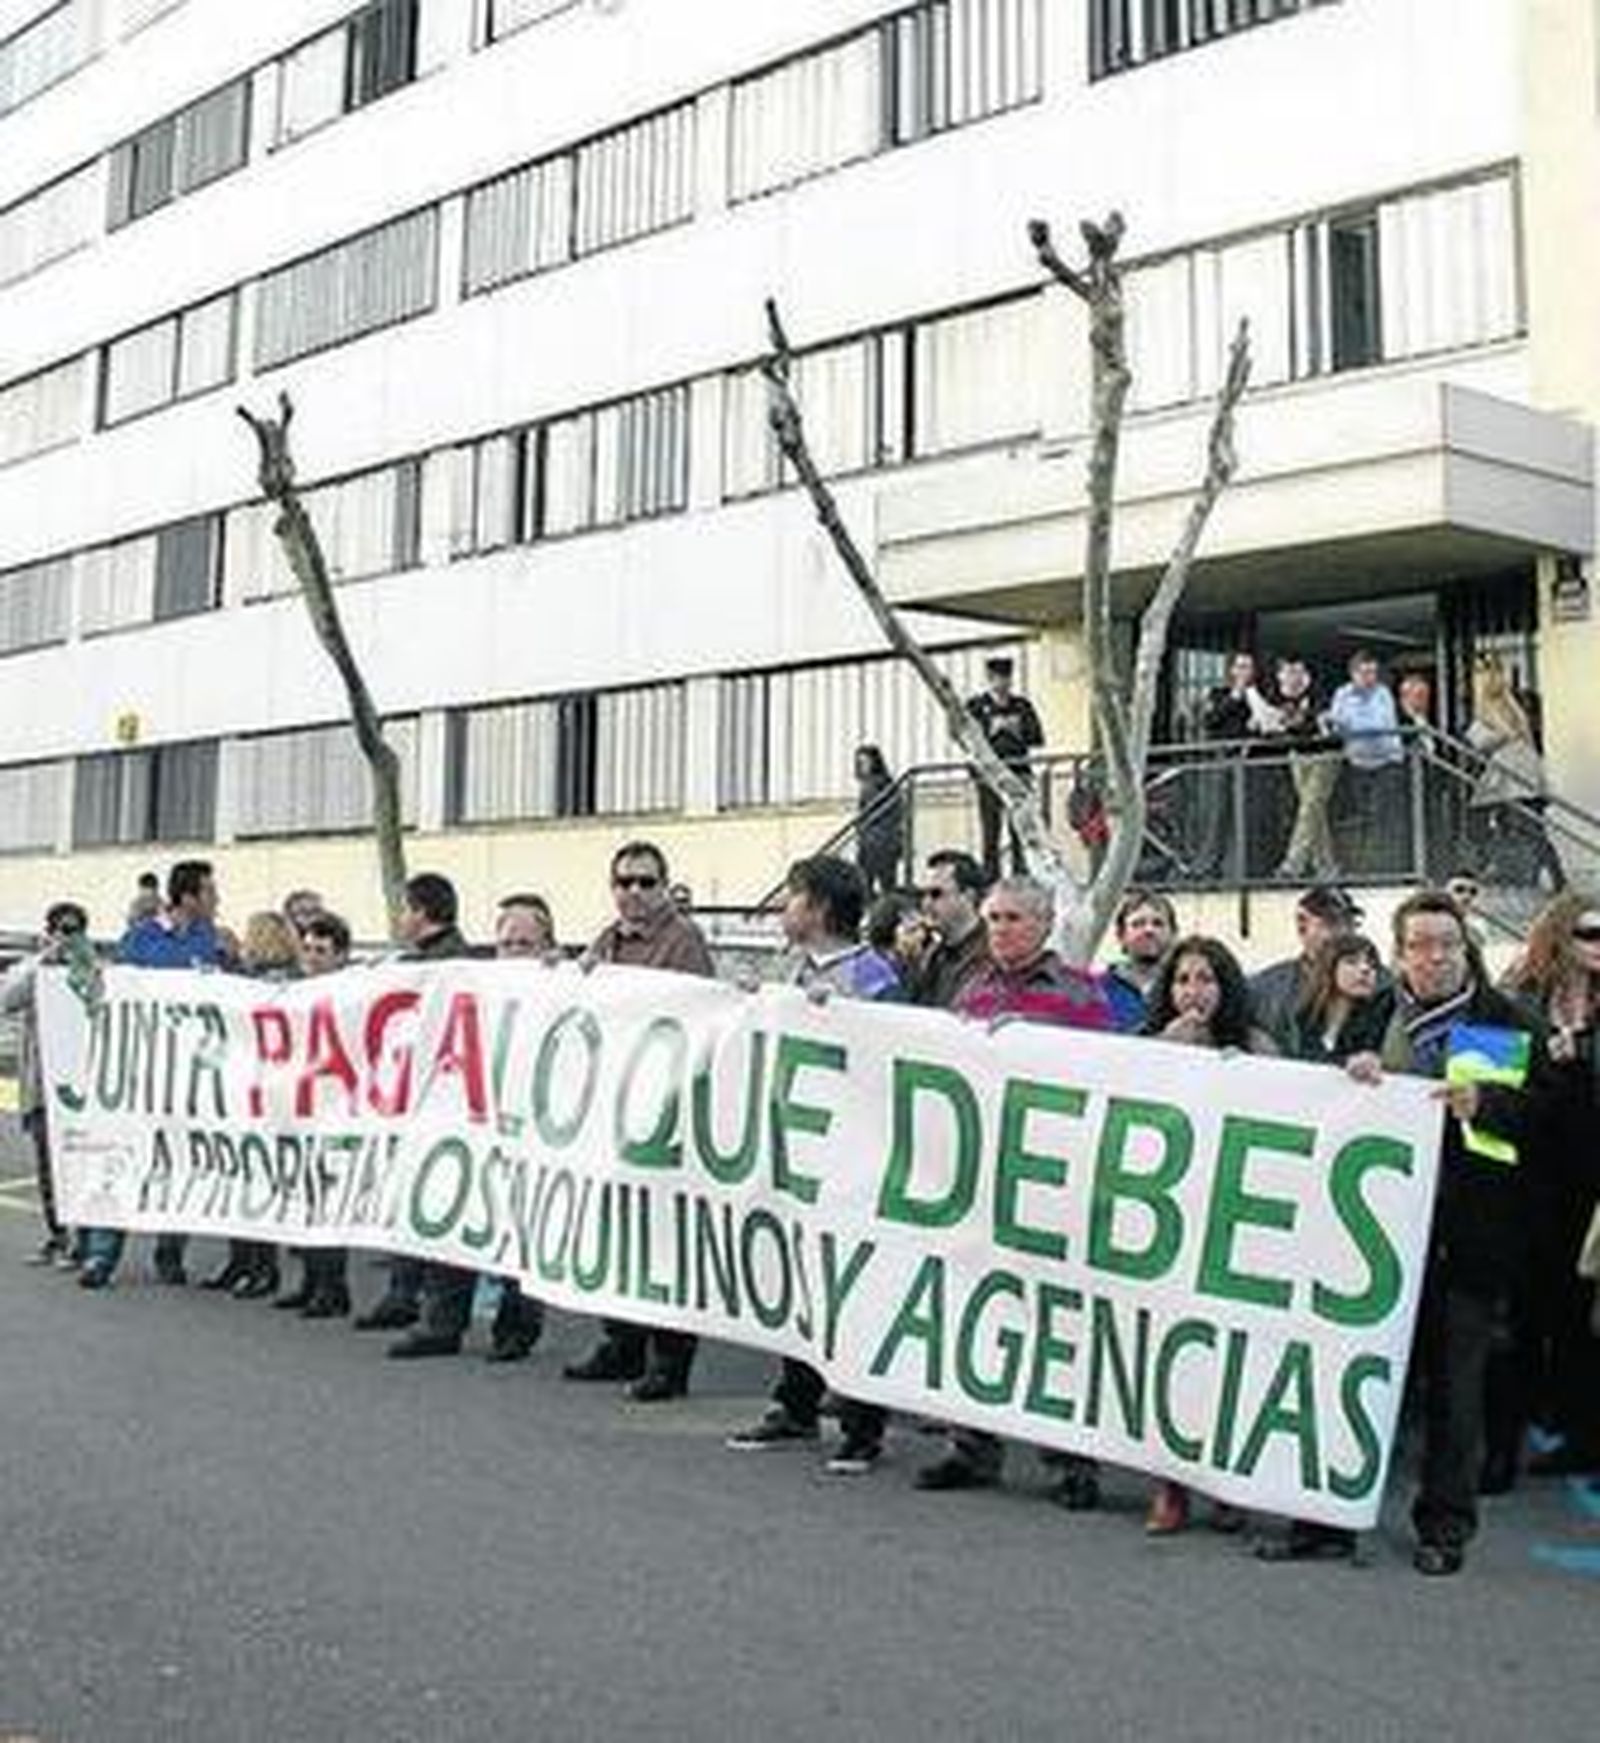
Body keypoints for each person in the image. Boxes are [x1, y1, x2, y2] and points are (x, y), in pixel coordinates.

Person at [1346, 890, 1544, 1576]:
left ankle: (1445, 1525)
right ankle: (1330, 1512)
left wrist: (1487, 1104)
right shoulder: (1372, 1015)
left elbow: (1550, 1119)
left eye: (1448, 944)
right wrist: (1352, 1073)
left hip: (1468, 1237)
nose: (1435, 957)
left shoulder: (1507, 1021)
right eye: (1421, 945)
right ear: (1399, 954)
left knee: (1456, 1389)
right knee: (1359, 1374)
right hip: (1374, 1235)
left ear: (1468, 950)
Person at [915, 877, 1113, 1499]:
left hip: (1052, 1176)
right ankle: (971, 1446)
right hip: (981, 1175)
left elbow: (1111, 1078)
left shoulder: (1081, 994)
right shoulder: (971, 990)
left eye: (1013, 919)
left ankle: (1071, 1461)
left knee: (1057, 1319)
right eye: (994, 918)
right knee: (973, 1305)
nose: (1000, 929)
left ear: (1045, 923)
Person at [728, 855, 901, 1472]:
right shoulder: (789, 970)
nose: (784, 909)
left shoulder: (874, 976)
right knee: (797, 1277)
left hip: (852, 1154)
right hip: (794, 1150)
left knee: (851, 1286)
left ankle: (861, 1422)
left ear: (820, 907)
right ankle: (795, 1402)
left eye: (793, 897)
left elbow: (888, 1054)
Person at [563, 842, 714, 1399]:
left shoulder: (683, 941)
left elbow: (695, 1014)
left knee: (663, 1238)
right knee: (616, 1232)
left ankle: (670, 1358)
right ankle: (621, 1341)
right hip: (613, 1105)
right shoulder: (606, 942)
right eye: (624, 882)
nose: (634, 892)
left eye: (646, 882)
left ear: (664, 886)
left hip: (663, 1105)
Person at [1141, 936, 1276, 1536]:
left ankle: (1227, 1485)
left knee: (1226, 1359)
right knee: (1168, 1358)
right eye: (1182, 980)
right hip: (1169, 1222)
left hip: (1231, 1225)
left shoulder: (1258, 1047)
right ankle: (1170, 1487)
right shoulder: (1147, 1045)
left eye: (1205, 980)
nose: (1193, 992)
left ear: (1227, 988)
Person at [1484, 893, 1600, 1482]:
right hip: (1529, 1174)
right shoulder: (1517, 998)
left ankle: (1583, 1437)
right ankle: (1505, 1444)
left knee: (1584, 1313)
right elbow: (1489, 1078)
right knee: (1523, 1310)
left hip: (1591, 1176)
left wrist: (1585, 1049)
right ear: (1558, 936)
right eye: (1589, 933)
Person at [80, 860, 230, 1290]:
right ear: (188, 897)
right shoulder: (141, 938)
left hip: (189, 1074)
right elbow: (115, 992)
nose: (217, 900)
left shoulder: (213, 940)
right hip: (142, 1071)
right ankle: (101, 1255)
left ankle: (170, 1253)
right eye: (210, 892)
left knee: (181, 1162)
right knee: (122, 1160)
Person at [359, 873, 476, 1352]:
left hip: (444, 1101)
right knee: (410, 1197)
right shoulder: (421, 962)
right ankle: (404, 1293)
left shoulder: (449, 965)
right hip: (419, 1099)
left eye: (405, 909)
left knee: (440, 1204)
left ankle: (440, 1318)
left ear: (422, 912)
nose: (400, 919)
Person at [202, 911, 301, 1300]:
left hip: (263, 1094)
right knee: (242, 1180)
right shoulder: (249, 981)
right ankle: (244, 1262)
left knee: (253, 1182)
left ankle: (260, 1266)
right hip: (253, 1092)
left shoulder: (269, 985)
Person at [274, 910, 356, 1320]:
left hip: (335, 1107)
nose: (311, 957)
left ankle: (332, 1286)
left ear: (340, 955)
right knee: (303, 1195)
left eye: (321, 950)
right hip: (300, 1105)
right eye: (307, 949)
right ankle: (310, 1280)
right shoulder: (294, 992)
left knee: (329, 1199)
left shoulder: (352, 994)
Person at [2, 901, 90, 1266]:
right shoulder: (35, 969)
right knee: (47, 1168)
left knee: (79, 1166)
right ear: (49, 932)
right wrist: (45, 961)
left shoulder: (91, 969)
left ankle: (83, 1242)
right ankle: (57, 1235)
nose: (68, 938)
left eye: (75, 931)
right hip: (41, 1087)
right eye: (62, 930)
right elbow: (7, 1000)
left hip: (79, 1089)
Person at [1465, 655, 1563, 890]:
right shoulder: (1502, 707)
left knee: (1527, 828)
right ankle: (1515, 872)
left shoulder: (1501, 707)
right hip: (1511, 778)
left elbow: (1504, 736)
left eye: (1487, 671)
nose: (1486, 678)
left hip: (1514, 777)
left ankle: (1549, 876)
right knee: (1514, 826)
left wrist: (1484, 734)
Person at [1248, 885, 1365, 1052]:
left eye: (1350, 923)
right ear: (1302, 927)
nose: (1344, 933)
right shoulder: (1264, 989)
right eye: (1331, 923)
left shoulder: (1381, 986)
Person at [1194, 651, 1277, 880]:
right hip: (1224, 759)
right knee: (1219, 813)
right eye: (1240, 667)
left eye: (1248, 667)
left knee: (1248, 814)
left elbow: (1268, 726)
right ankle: (1210, 865)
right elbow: (1210, 722)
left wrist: (1256, 722)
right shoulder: (1219, 694)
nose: (1244, 672)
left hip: (1250, 762)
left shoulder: (1259, 695)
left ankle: (1247, 867)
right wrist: (1235, 696)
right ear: (1231, 670)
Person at [1326, 649, 1405, 875]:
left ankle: (1385, 867)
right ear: (1353, 673)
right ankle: (1362, 866)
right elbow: (1336, 726)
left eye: (1372, 672)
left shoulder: (1383, 693)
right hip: (1357, 764)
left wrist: (1350, 723)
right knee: (1361, 816)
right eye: (1364, 672)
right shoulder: (1342, 694)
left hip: (1386, 762)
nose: (1369, 678)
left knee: (1383, 816)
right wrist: (1348, 724)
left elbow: (1380, 725)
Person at [966, 655, 1043, 880]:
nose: (1003, 683)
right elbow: (965, 736)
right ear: (989, 679)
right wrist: (992, 730)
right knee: (991, 829)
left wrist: (1015, 729)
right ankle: (991, 877)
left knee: (1020, 827)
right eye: (997, 678)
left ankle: (1021, 873)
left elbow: (1036, 737)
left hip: (1018, 773)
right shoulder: (976, 706)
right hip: (989, 776)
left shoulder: (1022, 705)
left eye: (1006, 678)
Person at [1269, 657, 1340, 881]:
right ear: (1280, 675)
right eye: (1289, 672)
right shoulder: (1275, 696)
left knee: (1310, 806)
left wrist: (1292, 726)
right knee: (1313, 812)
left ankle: (1293, 864)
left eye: (1298, 672)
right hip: (1298, 756)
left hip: (1325, 755)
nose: (1294, 678)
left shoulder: (1319, 694)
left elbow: (1318, 724)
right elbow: (1270, 726)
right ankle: (1326, 867)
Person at [1288, 934, 1394, 1066]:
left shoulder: (1381, 1017)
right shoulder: (1305, 1018)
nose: (1365, 969)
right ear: (1330, 968)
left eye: (1372, 965)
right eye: (1351, 962)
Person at [908, 849, 989, 1009]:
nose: (926, 904)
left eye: (936, 894)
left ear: (968, 896)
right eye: (922, 894)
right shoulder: (932, 955)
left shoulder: (994, 954)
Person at [1101, 888, 1176, 1032]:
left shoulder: (1187, 987)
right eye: (1138, 924)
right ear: (1121, 936)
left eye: (1158, 923)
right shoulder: (1099, 990)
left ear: (1173, 934)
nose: (1149, 930)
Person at [852, 744, 904, 898]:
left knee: (881, 881)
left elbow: (893, 812)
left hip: (881, 841)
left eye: (865, 761)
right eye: (859, 762)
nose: (862, 766)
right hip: (870, 841)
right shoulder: (869, 784)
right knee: (868, 881)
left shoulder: (882, 784)